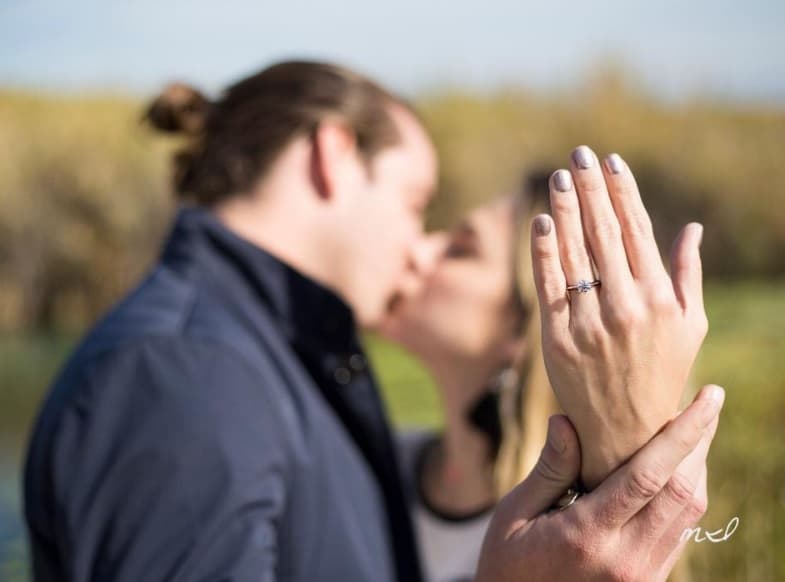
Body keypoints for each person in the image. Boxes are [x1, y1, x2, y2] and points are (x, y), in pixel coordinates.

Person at [23, 60, 723, 582]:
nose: (415, 242)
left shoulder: (260, 363)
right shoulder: (183, 370)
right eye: (415, 199)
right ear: (332, 156)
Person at [385, 165, 710, 581]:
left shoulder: (575, 550)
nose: (419, 249)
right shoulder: (371, 463)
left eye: (461, 250)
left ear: (536, 323)